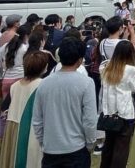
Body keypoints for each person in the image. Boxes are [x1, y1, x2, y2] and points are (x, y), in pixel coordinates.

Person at [32, 37, 97, 168]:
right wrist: (90, 144)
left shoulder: (44, 83)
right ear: (80, 60)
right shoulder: (86, 83)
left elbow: (37, 120)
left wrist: (43, 142)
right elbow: (90, 120)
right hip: (76, 149)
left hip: (50, 149)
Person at [0, 50, 47, 168]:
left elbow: (4, 106)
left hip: (12, 127)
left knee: (12, 160)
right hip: (31, 128)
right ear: (42, 67)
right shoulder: (42, 84)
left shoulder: (15, 85)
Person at [98, 39, 135, 168]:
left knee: (109, 147)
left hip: (109, 114)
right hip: (124, 114)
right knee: (121, 150)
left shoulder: (106, 67)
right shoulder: (130, 69)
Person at [0, 23, 30, 140]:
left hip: (6, 79)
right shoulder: (24, 48)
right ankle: (14, 135)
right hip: (19, 79)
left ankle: (3, 134)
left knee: (5, 109)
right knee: (16, 110)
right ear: (26, 35)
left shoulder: (6, 46)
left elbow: (1, 60)